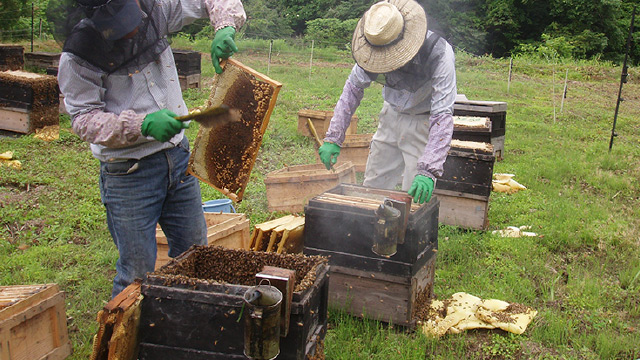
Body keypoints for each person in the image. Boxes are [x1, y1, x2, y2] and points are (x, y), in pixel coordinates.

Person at [57, 0, 246, 298]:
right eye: (118, 23)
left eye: (132, 15)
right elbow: (83, 120)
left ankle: (191, 325)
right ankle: (131, 343)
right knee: (137, 273)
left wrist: (224, 27)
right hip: (129, 173)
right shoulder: (79, 53)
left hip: (178, 162)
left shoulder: (157, 8)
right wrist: (140, 125)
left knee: (196, 254)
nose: (132, 29)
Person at [318, 0, 456, 204]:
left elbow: (442, 114)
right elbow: (351, 91)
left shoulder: (439, 53)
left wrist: (429, 169)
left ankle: (410, 235)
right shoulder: (373, 45)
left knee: (414, 197)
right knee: (373, 186)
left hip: (423, 121)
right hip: (390, 116)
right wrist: (333, 137)